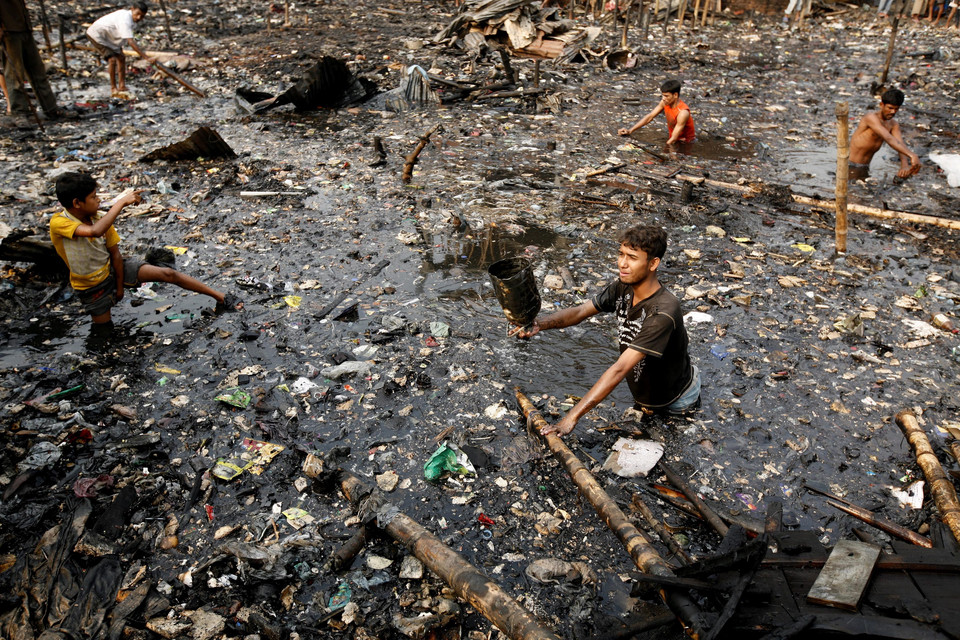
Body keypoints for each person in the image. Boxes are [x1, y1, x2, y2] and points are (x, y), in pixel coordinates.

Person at [512, 225, 700, 437]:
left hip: (676, 399)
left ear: (653, 263)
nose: (622, 263)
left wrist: (571, 417)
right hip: (647, 391)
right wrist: (540, 323)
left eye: (632, 257)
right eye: (621, 254)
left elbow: (619, 369)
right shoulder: (623, 287)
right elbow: (581, 311)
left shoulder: (662, 313)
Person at [50, 172, 241, 327]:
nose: (98, 200)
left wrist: (119, 287)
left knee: (168, 274)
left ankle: (221, 297)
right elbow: (95, 231)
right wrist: (121, 202)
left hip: (112, 269)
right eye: (93, 197)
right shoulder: (60, 222)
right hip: (91, 287)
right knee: (104, 330)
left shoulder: (99, 217)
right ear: (77, 203)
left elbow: (115, 254)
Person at [0, 0, 62, 120]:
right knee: (15, 74)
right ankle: (19, 113)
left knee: (37, 70)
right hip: (9, 30)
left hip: (23, 27)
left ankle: (50, 108)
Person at [849, 89, 921, 179]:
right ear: (881, 105)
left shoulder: (893, 124)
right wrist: (912, 155)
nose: (893, 112)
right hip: (849, 165)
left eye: (896, 109)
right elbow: (888, 138)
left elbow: (900, 143)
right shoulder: (870, 118)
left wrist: (904, 165)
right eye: (890, 108)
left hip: (865, 167)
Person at [86, 2, 152, 98]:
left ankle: (122, 86)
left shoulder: (131, 19)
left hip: (110, 37)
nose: (138, 18)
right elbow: (131, 42)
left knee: (121, 57)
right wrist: (146, 57)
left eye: (141, 16)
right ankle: (113, 88)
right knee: (112, 60)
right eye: (137, 14)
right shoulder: (125, 19)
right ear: (132, 9)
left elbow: (122, 35)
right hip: (97, 35)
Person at [618, 79, 696, 146]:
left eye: (666, 96)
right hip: (673, 139)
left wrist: (665, 149)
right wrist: (630, 130)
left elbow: (674, 138)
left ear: (675, 95)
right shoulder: (664, 103)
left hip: (686, 143)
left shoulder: (682, 113)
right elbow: (650, 117)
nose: (663, 98)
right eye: (662, 95)